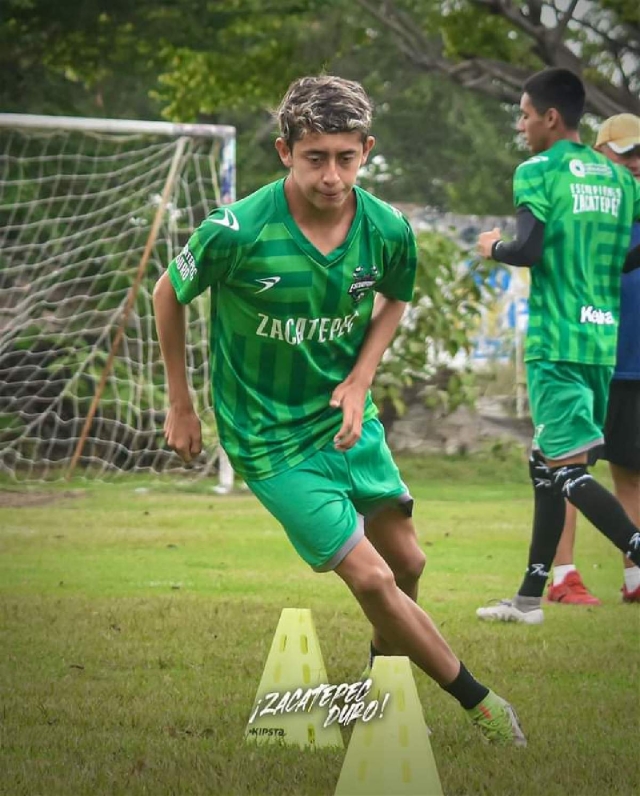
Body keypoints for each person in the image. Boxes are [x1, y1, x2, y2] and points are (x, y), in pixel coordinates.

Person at [153, 75, 525, 745]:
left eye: (345, 158)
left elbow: (396, 299)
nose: (331, 174)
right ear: (284, 151)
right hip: (267, 436)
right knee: (372, 576)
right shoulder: (234, 232)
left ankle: (375, 691)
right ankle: (482, 704)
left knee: (409, 564)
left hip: (346, 418)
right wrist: (181, 403)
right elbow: (167, 292)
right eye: (314, 157)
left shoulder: (385, 230)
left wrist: (360, 379)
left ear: (366, 151)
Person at [475, 68, 640, 625]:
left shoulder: (537, 171)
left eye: (523, 115)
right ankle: (528, 599)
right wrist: (607, 265)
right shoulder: (619, 179)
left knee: (568, 470)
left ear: (550, 117)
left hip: (556, 340)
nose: (520, 126)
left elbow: (529, 248)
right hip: (601, 341)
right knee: (543, 463)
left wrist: (493, 247)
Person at [547, 114, 640, 606]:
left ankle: (634, 579)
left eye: (639, 155)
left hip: (634, 366)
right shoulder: (588, 212)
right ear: (600, 155)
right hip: (583, 357)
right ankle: (564, 575)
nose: (635, 163)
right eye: (625, 153)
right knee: (569, 467)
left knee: (632, 473)